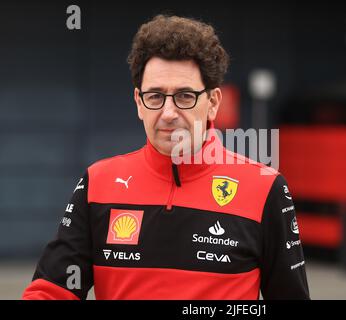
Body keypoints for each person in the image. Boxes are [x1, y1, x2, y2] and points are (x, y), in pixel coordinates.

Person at [22, 15, 310, 300]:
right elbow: (51, 291)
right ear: (138, 102)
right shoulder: (98, 183)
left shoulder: (265, 188)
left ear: (212, 103)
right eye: (156, 96)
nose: (169, 113)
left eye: (185, 96)